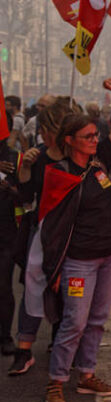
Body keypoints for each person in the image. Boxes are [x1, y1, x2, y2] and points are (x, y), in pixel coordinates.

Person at [37, 78, 111, 402]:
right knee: (74, 321)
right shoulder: (58, 174)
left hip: (109, 255)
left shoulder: (101, 160)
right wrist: (56, 269)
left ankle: (87, 375)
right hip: (79, 261)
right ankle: (56, 379)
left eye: (96, 135)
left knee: (97, 319)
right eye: (88, 137)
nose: (95, 140)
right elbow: (51, 229)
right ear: (70, 140)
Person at [10, 97, 81, 376]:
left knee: (69, 291)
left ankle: (61, 342)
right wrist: (25, 170)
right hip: (41, 234)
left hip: (74, 236)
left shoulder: (80, 158)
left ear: (58, 130)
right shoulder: (38, 156)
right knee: (33, 287)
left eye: (44, 129)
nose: (40, 134)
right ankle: (24, 349)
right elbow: (26, 196)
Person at [0, 139, 23, 357]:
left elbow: (27, 196)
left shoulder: (16, 158)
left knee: (4, 287)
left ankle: (5, 336)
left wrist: (10, 189)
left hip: (6, 235)